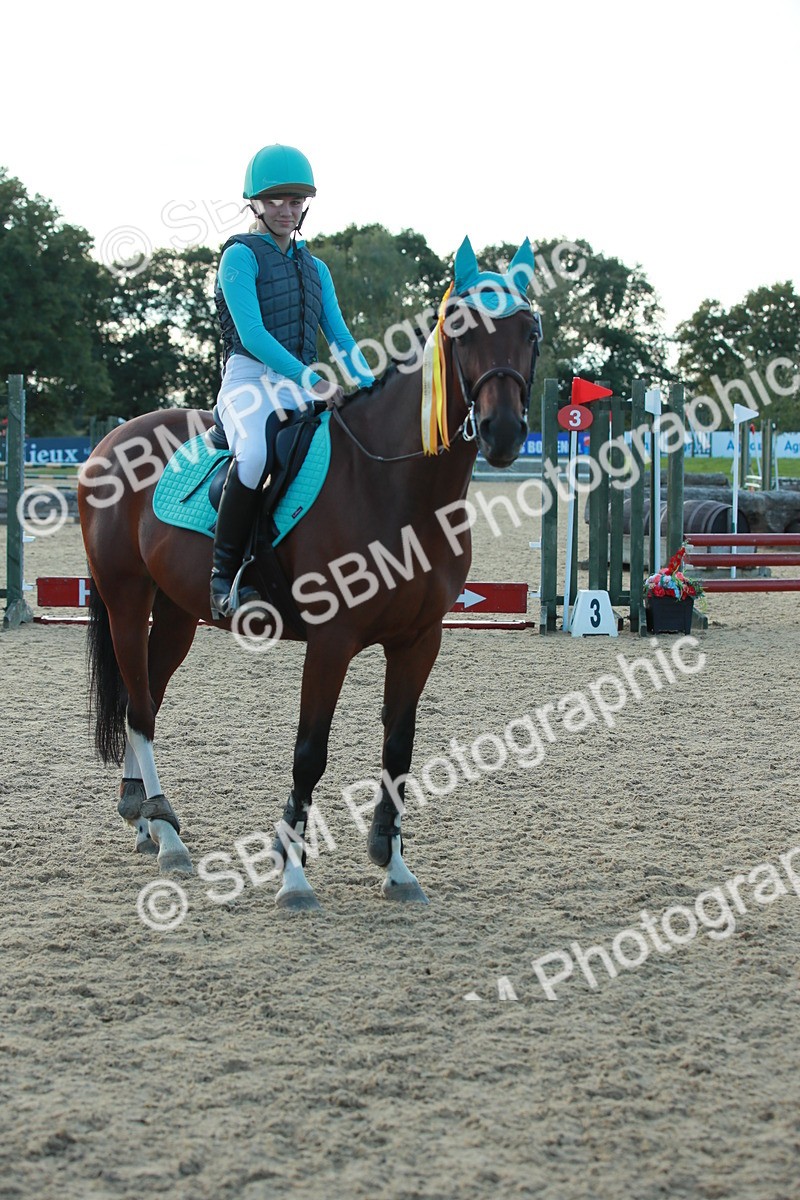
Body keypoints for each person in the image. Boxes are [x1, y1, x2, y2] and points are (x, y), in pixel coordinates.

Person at [210, 143, 375, 620]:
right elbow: (254, 335)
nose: (287, 210)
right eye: (277, 200)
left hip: (301, 383)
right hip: (249, 380)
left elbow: (340, 336)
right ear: (255, 203)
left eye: (296, 200)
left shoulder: (316, 268)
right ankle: (223, 577)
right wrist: (314, 378)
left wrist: (369, 385)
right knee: (257, 454)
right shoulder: (239, 258)